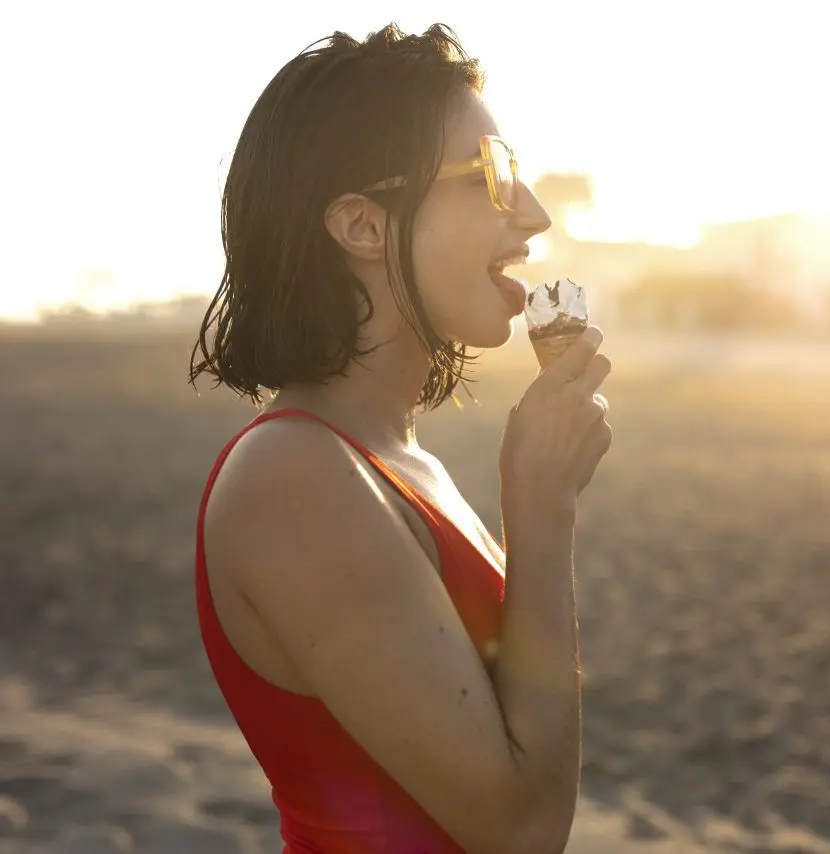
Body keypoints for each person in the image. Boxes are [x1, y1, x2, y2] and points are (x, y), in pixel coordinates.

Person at [188, 23, 611, 854]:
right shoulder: (294, 476)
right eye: (492, 174)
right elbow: (520, 830)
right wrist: (541, 507)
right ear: (363, 226)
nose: (533, 213)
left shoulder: (394, 462)